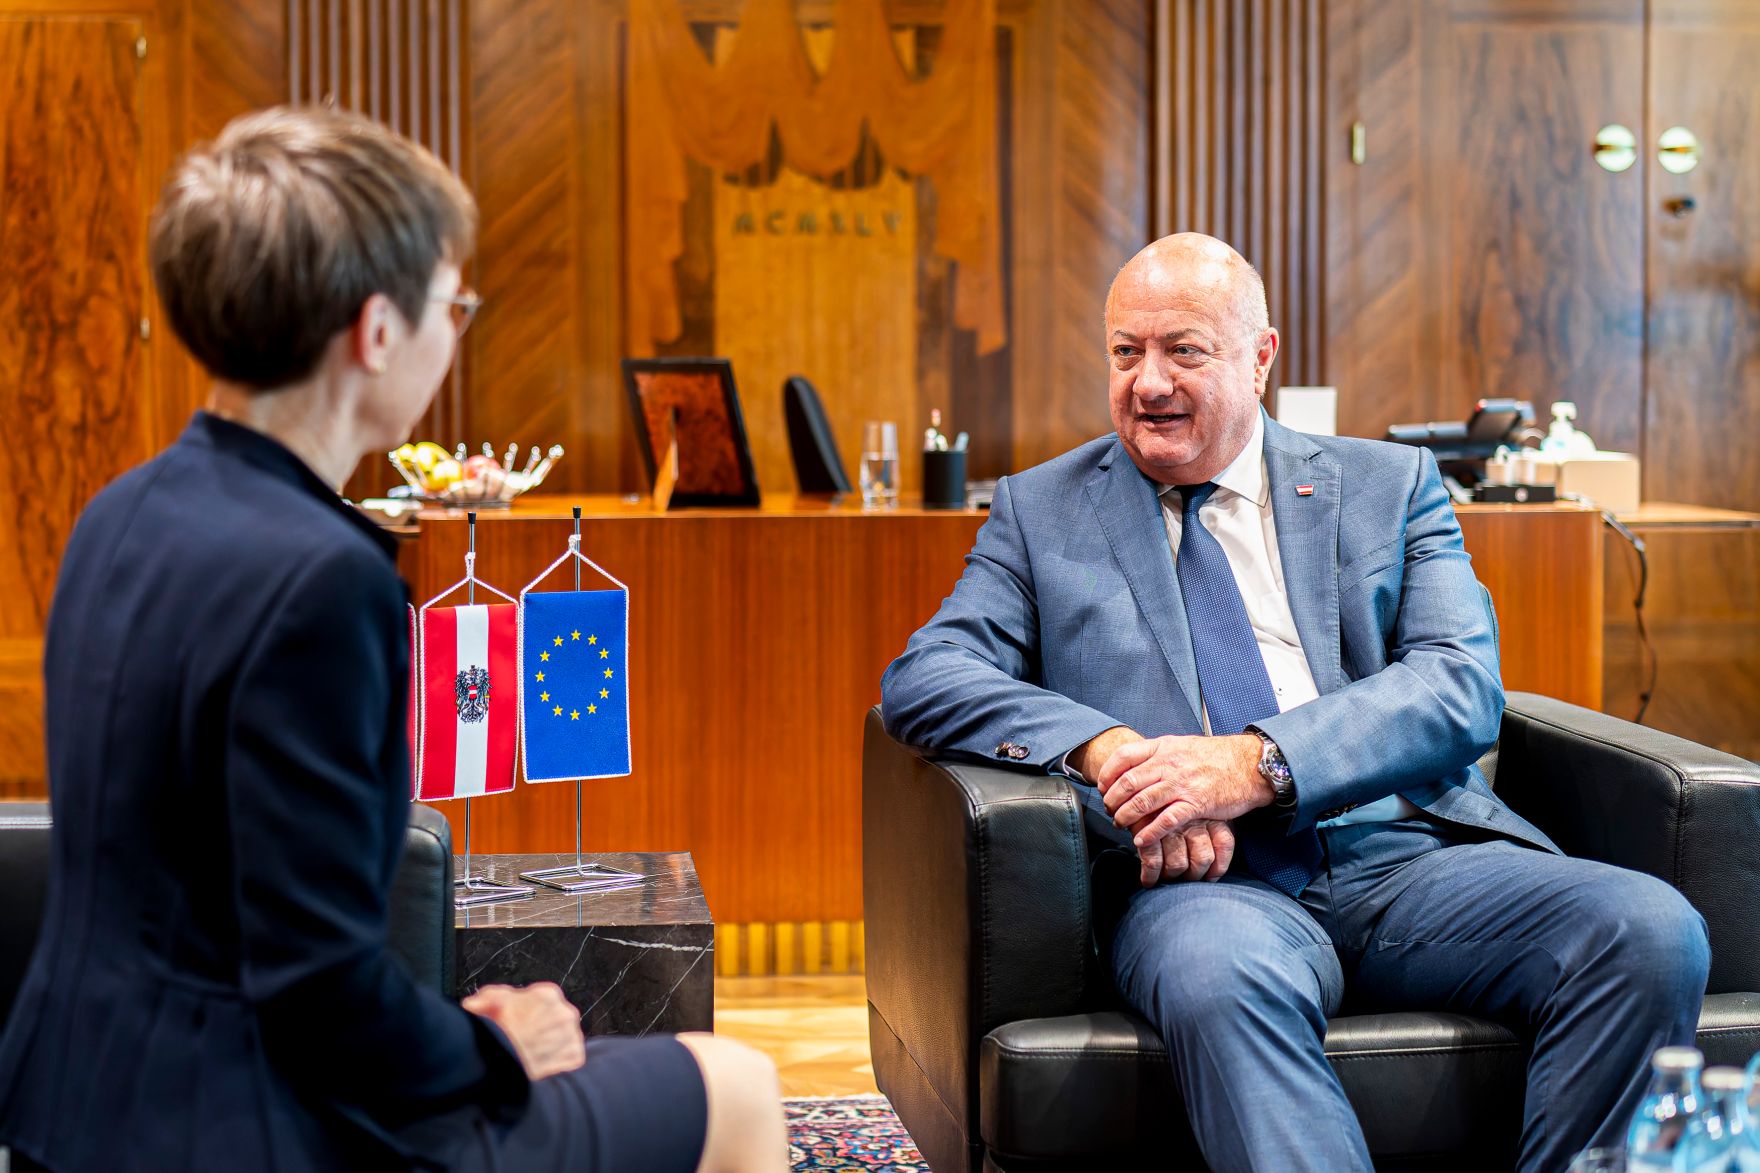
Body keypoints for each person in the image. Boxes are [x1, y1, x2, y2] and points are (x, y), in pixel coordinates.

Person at [0, 107, 785, 1173]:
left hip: (66, 1106)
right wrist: (496, 1048)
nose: (455, 331)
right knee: (736, 1088)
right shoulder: (322, 575)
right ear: (377, 333)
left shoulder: (117, 512)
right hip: (250, 1130)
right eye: (454, 305)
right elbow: (316, 989)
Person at [881, 232, 1710, 1172]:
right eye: (1125, 352)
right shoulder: (1043, 509)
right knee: (1218, 981)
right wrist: (1111, 751)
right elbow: (929, 674)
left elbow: (1458, 684)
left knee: (1648, 929)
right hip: (1202, 886)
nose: (1147, 382)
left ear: (1261, 355)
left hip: (1403, 856)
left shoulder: (1387, 487)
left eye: (1182, 350)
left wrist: (1253, 763)